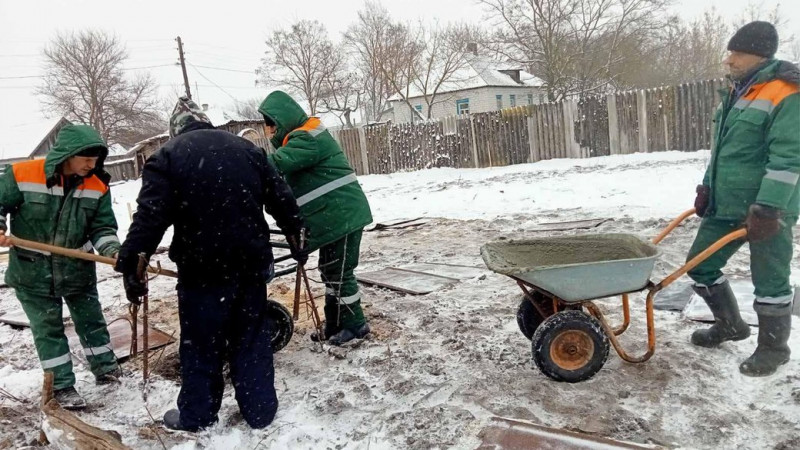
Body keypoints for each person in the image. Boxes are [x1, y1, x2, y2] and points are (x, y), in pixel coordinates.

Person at [115, 97, 306, 431]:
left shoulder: (167, 157)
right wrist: (296, 233)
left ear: (176, 130)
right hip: (250, 263)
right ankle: (260, 410)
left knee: (202, 344)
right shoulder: (248, 150)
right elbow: (281, 198)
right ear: (206, 123)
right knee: (251, 337)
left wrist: (133, 262)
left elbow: (150, 218)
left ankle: (198, 415)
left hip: (203, 269)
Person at [688, 21, 800, 376]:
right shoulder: (737, 91)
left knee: (770, 279)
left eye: (736, 52)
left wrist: (769, 207)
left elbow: (789, 156)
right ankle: (731, 326)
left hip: (769, 210)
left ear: (758, 54)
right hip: (727, 204)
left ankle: (773, 348)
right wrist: (707, 187)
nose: (729, 59)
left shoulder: (786, 93)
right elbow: (721, 152)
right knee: (699, 265)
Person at [0, 124, 123, 410]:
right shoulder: (22, 174)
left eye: (96, 160)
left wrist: (112, 249)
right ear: (69, 154)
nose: (92, 166)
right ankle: (62, 387)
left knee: (92, 322)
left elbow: (102, 226)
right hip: (32, 271)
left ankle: (106, 368)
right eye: (87, 160)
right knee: (49, 329)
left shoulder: (97, 185)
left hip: (77, 269)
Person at [258, 90, 374, 346]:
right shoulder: (303, 136)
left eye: (272, 124)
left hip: (343, 217)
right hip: (335, 218)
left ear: (284, 118)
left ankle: (356, 326)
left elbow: (276, 164)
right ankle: (335, 325)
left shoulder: (305, 138)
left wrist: (246, 160)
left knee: (341, 273)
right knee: (330, 271)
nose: (270, 130)